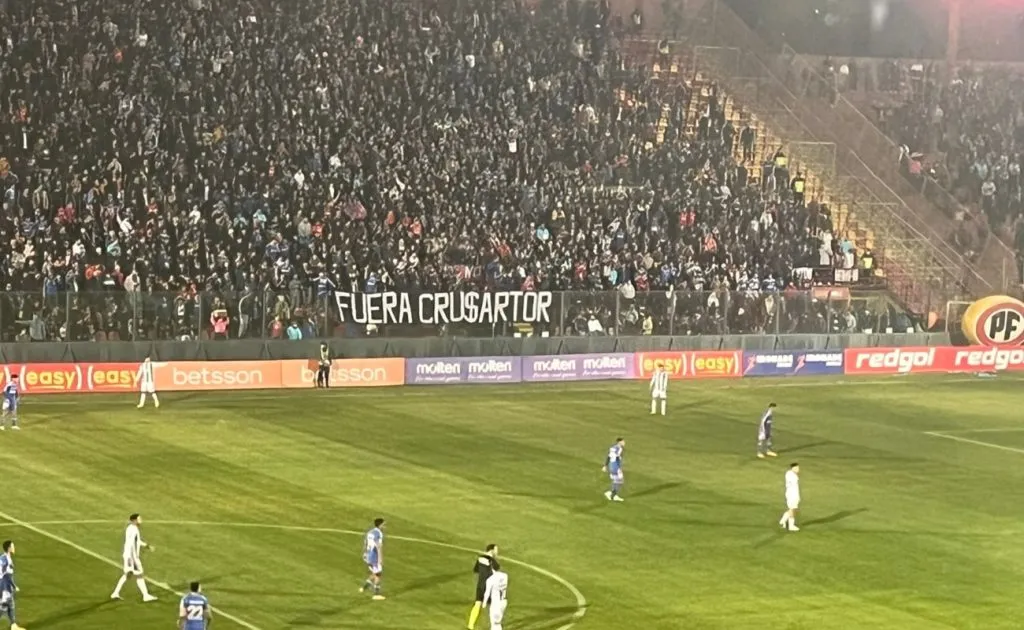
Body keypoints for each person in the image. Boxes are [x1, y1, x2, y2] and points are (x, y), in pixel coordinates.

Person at [111, 514, 158, 601]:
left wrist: (147, 546)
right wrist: (134, 557)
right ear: (134, 520)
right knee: (139, 574)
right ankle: (146, 596)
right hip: (131, 556)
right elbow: (132, 543)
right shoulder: (133, 529)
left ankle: (115, 593)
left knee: (128, 574)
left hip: (129, 555)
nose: (141, 520)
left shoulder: (131, 528)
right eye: (139, 519)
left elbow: (137, 541)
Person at [467, 544, 500, 630]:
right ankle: (495, 627)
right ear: (492, 550)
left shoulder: (480, 558)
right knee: (493, 607)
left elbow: (476, 570)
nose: (497, 552)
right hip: (489, 587)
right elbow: (497, 569)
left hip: (480, 585)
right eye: (496, 550)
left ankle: (470, 625)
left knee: (478, 604)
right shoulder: (492, 561)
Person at [0, 541, 25, 630]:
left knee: (10, 605)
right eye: (13, 546)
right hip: (5, 586)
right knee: (4, 606)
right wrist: (14, 586)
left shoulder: (2, 557)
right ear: (9, 548)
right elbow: (7, 575)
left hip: (2, 584)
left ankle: (13, 625)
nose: (14, 548)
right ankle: (13, 625)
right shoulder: (7, 560)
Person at [360, 518, 386, 600]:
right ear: (380, 525)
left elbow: (365, 543)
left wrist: (364, 553)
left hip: (368, 555)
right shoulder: (379, 533)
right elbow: (378, 547)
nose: (385, 527)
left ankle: (364, 588)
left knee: (375, 573)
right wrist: (380, 558)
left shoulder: (370, 532)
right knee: (378, 574)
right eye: (384, 525)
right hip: (374, 556)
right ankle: (376, 594)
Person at [602, 438, 626, 502]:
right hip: (616, 467)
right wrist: (619, 467)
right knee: (620, 481)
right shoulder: (620, 449)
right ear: (619, 442)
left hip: (611, 466)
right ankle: (613, 496)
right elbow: (617, 457)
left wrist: (605, 465)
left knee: (615, 480)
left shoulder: (612, 448)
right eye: (623, 441)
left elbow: (609, 456)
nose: (624, 443)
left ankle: (611, 493)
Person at [779, 463, 801, 532]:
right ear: (793, 468)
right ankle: (791, 526)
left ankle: (783, 520)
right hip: (791, 495)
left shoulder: (790, 474)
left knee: (794, 509)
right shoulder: (792, 475)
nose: (798, 469)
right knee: (792, 509)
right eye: (797, 468)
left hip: (794, 494)